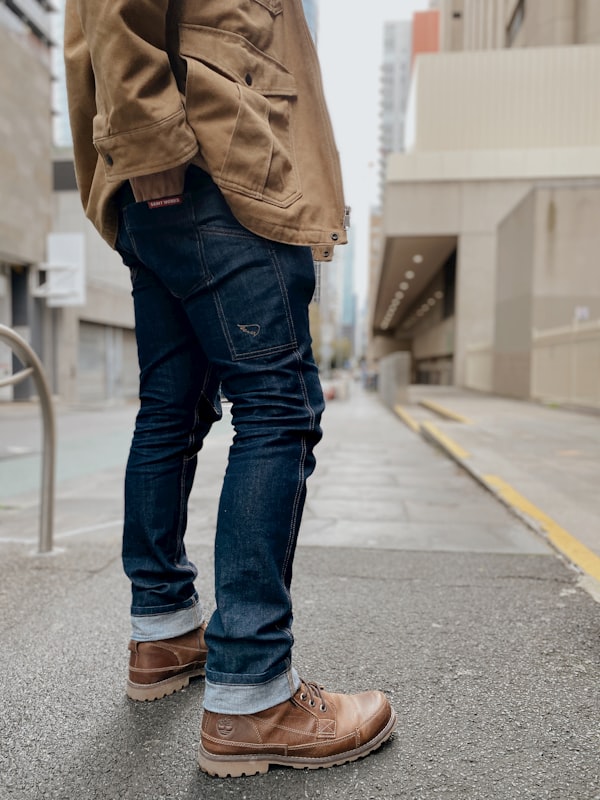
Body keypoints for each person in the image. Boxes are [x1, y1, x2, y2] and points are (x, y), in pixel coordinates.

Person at [64, 0, 396, 778]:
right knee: (278, 409)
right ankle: (253, 693)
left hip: (167, 166)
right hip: (216, 159)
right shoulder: (187, 144)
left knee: (171, 408)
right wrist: (153, 141)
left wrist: (144, 147)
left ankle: (164, 632)